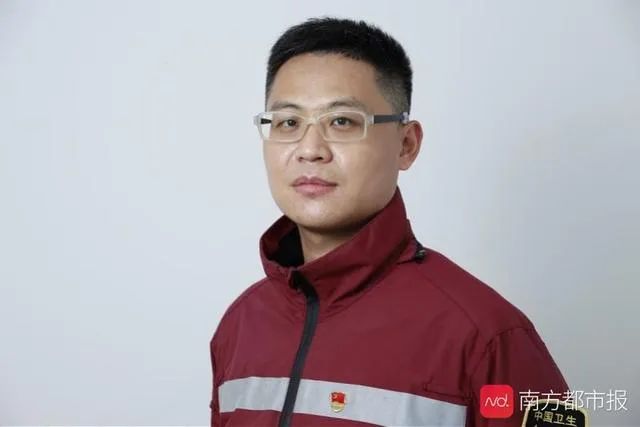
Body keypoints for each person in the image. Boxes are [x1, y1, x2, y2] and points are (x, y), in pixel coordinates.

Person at [209, 17, 569, 427]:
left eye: (342, 121)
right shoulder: (241, 324)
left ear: (406, 144)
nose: (310, 149)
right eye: (289, 123)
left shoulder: (489, 337)